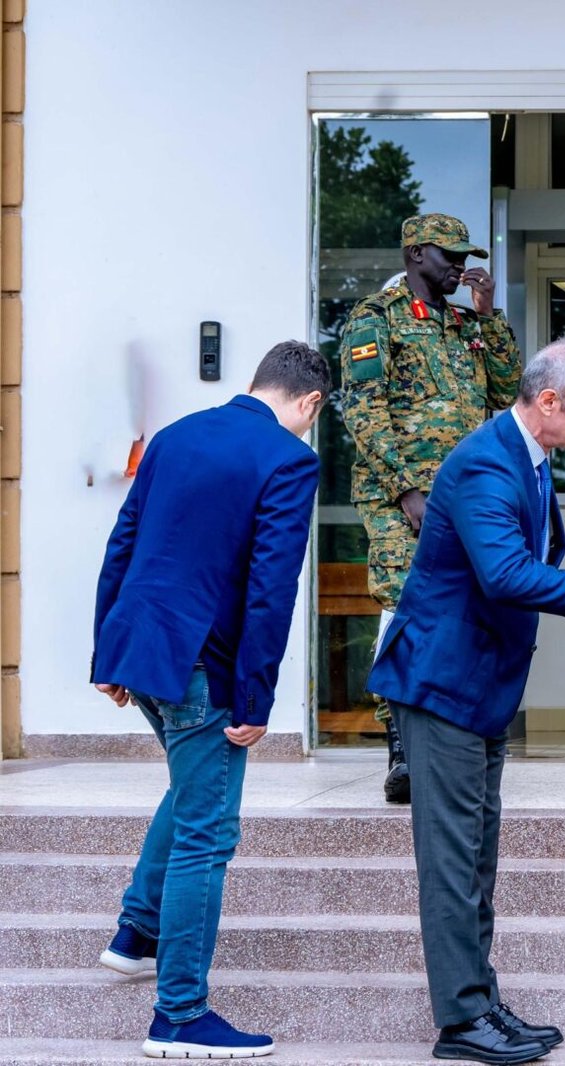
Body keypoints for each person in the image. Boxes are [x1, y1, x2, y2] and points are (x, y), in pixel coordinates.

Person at [365, 337, 565, 1065]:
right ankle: (461, 1022)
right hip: (444, 686)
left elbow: (531, 558)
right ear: (547, 402)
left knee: (477, 857)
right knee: (454, 862)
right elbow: (507, 575)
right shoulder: (489, 462)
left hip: (478, 687)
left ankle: (480, 1001)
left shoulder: (527, 455)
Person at [92, 341, 329, 1059]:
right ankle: (180, 1017)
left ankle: (137, 930)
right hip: (205, 667)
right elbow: (270, 589)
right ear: (310, 402)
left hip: (145, 652)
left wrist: (108, 650)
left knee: (191, 792)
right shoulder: (289, 459)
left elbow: (122, 543)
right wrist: (256, 696)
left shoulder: (176, 435)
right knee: (208, 831)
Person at [338, 212, 521, 804]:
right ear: (416, 254)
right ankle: (401, 748)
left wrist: (489, 318)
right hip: (403, 498)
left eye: (465, 255)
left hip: (462, 496)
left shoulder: (466, 325)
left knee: (459, 608)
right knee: (403, 604)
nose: (460, 266)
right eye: (449, 255)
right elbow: (363, 411)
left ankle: (449, 731)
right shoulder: (375, 319)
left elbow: (506, 391)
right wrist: (405, 489)